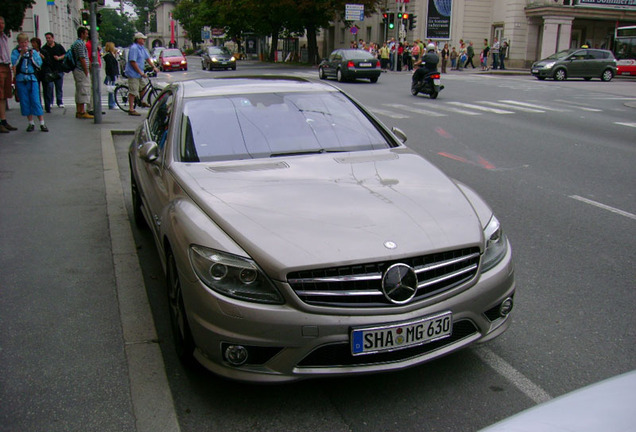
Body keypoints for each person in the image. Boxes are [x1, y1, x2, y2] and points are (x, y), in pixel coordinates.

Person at [11, 33, 48, 132]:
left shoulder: (33, 52)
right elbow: (14, 65)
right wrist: (21, 55)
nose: (23, 45)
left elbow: (38, 64)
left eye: (25, 42)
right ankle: (30, 123)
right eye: (21, 43)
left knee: (35, 100)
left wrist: (31, 57)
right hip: (21, 79)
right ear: (18, 43)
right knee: (25, 101)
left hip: (32, 79)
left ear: (27, 42)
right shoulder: (15, 52)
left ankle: (42, 123)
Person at [124, 32, 158, 116]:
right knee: (133, 90)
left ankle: (141, 101)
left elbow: (147, 58)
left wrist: (153, 67)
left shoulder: (142, 48)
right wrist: (141, 72)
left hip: (139, 73)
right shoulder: (134, 48)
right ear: (138, 39)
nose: (144, 40)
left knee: (143, 87)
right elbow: (133, 62)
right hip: (133, 73)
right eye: (142, 39)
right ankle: (131, 109)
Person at [70, 26, 93, 119]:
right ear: (82, 34)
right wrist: (86, 70)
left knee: (80, 90)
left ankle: (80, 110)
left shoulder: (77, 43)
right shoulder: (80, 44)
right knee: (83, 90)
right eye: (86, 33)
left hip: (79, 70)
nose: (87, 35)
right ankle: (81, 111)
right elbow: (82, 58)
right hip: (81, 70)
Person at [40, 32, 66, 111]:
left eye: (49, 38)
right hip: (49, 70)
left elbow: (65, 54)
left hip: (58, 69)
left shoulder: (58, 46)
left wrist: (59, 58)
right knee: (49, 87)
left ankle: (59, 101)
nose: (48, 40)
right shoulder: (44, 48)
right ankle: (50, 102)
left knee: (59, 87)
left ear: (53, 38)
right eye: (47, 38)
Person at [0, 16, 17, 133]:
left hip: (6, 66)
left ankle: (3, 120)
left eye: (2, 22)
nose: (1, 25)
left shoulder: (4, 37)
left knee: (4, 95)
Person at [103, 42, 119, 110]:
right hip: (111, 74)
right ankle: (111, 104)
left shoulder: (110, 55)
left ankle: (112, 103)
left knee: (112, 89)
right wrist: (113, 75)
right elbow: (110, 66)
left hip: (111, 74)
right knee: (111, 90)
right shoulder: (108, 56)